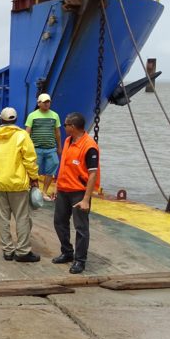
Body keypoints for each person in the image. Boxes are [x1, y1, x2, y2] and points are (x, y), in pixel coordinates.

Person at [0, 107, 41, 262]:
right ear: (15, 120)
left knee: (3, 218)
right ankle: (23, 251)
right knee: (22, 218)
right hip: (18, 184)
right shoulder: (22, 136)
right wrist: (34, 178)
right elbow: (30, 160)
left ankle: (8, 251)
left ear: (1, 119)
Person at [52, 112, 100, 274]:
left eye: (65, 124)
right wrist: (57, 186)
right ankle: (67, 252)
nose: (63, 127)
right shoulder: (67, 141)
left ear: (72, 126)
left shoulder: (89, 146)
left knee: (81, 227)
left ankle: (80, 260)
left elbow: (93, 173)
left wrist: (86, 199)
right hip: (64, 189)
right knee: (59, 222)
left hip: (79, 192)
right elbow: (64, 165)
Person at [25, 93, 62, 201]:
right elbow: (27, 132)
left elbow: (57, 133)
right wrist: (26, 147)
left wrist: (59, 146)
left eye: (48, 102)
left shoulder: (55, 116)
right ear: (39, 103)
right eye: (44, 102)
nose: (47, 104)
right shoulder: (32, 115)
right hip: (36, 148)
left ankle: (44, 192)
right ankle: (32, 189)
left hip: (51, 148)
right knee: (33, 170)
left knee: (52, 167)